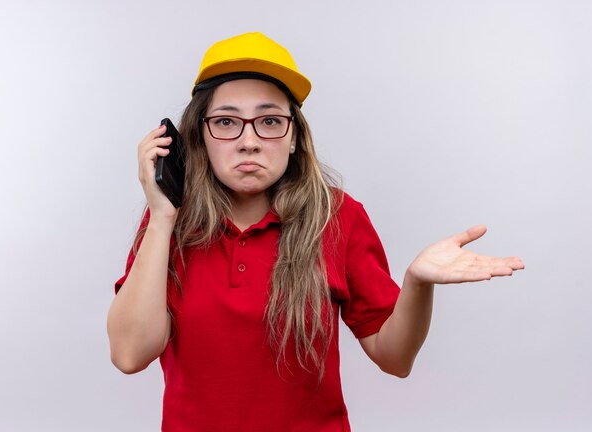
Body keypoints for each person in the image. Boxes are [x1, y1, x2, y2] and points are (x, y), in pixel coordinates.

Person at [107, 32, 525, 432]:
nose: (249, 141)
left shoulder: (339, 216)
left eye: (269, 121)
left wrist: (416, 283)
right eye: (227, 122)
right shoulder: (167, 224)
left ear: (293, 138)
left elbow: (395, 358)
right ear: (199, 137)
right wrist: (163, 215)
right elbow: (129, 354)